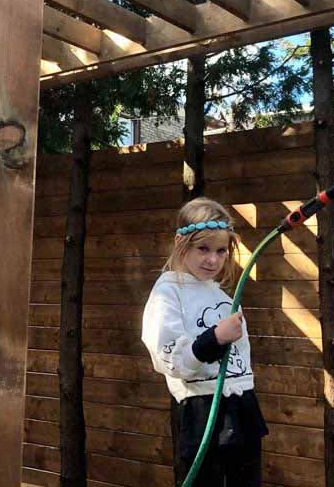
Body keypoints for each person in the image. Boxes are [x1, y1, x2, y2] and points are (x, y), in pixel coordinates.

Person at [141, 197, 268, 486]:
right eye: (203, 249)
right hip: (202, 410)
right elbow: (169, 358)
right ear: (180, 243)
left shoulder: (223, 298)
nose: (213, 259)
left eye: (221, 250)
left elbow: (240, 363)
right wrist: (215, 338)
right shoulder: (169, 292)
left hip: (243, 409)